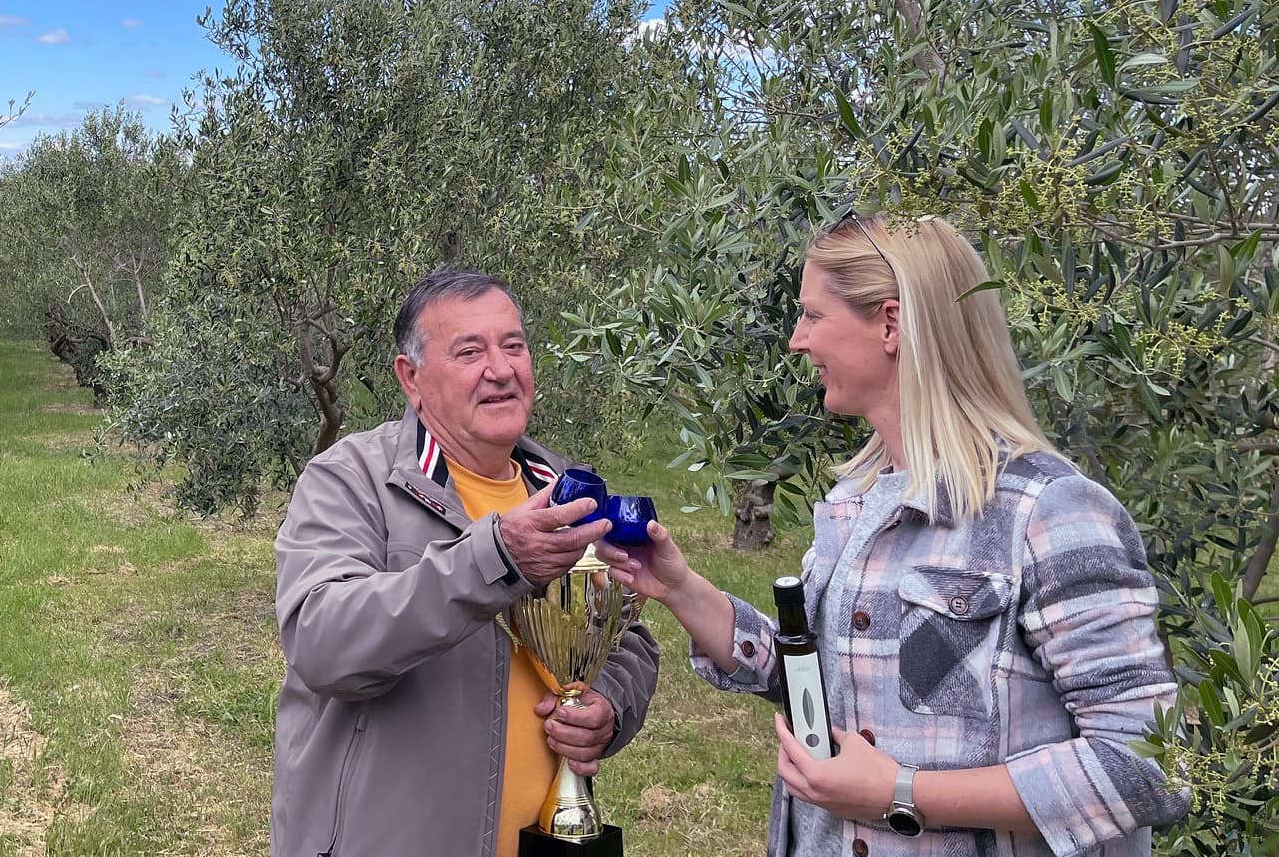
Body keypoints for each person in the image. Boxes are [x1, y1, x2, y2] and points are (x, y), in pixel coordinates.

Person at [599, 213, 1190, 856]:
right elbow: (820, 683)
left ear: (890, 324)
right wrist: (680, 588)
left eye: (813, 315)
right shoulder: (856, 503)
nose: (797, 340)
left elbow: (1149, 765)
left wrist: (900, 794)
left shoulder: (1050, 513)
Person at [272, 268, 661, 857]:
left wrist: (608, 704)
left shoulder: (564, 489)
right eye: (470, 352)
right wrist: (496, 559)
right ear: (411, 378)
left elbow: (626, 635)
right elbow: (322, 640)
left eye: (514, 346)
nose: (501, 369)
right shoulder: (353, 479)